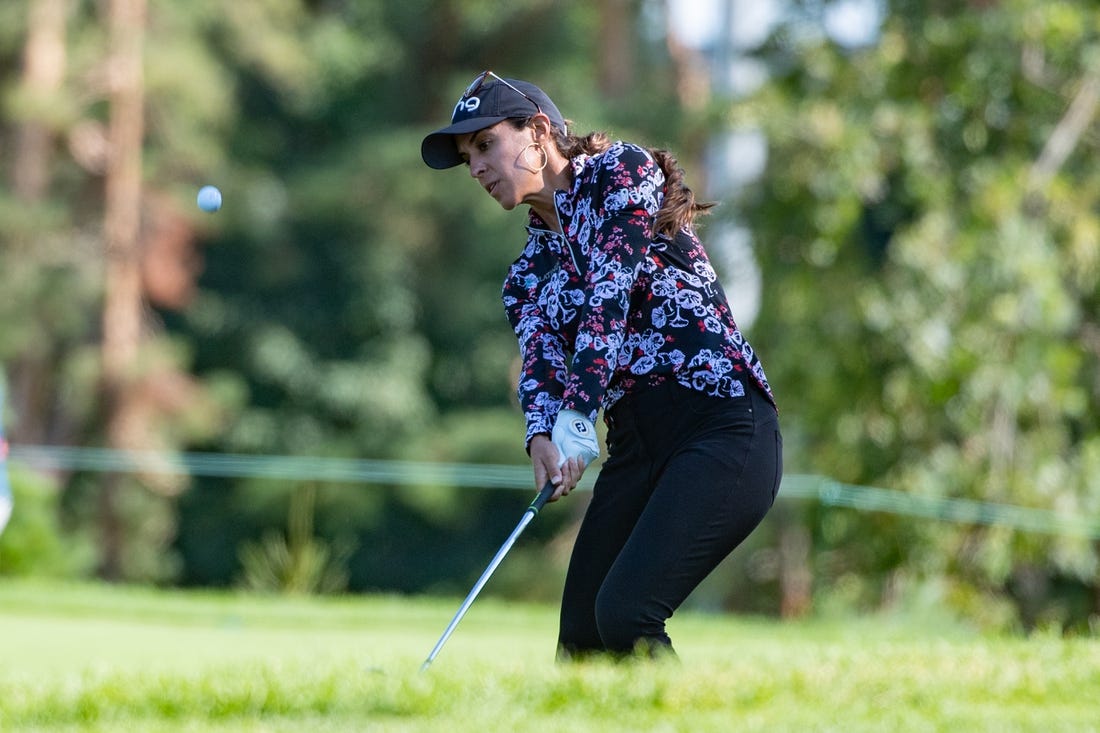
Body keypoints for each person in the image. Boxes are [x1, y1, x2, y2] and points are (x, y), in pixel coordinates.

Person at [421, 71, 782, 660]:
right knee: (582, 642)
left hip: (721, 427)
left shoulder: (624, 174)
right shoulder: (525, 278)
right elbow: (540, 366)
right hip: (638, 443)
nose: (477, 169)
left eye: (485, 145)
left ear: (539, 131)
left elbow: (608, 295)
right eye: (468, 159)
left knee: (627, 614)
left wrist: (579, 411)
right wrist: (542, 434)